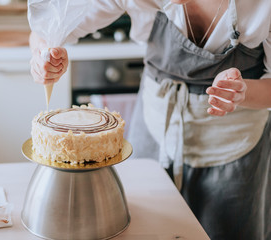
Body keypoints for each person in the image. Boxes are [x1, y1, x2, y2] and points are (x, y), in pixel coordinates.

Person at [28, 0, 271, 239]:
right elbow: (46, 30)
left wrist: (242, 92)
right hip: (152, 136)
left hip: (235, 150)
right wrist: (43, 56)